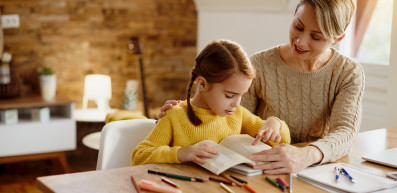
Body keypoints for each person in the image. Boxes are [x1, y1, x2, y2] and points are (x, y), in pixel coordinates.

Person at [157, 0, 364, 174]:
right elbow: (227, 118)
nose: (300, 41)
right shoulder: (260, 64)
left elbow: (345, 131)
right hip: (262, 170)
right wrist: (183, 112)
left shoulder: (348, 73)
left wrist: (306, 155)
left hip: (319, 169)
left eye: (316, 37)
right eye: (298, 27)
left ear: (338, 39)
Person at [132, 40, 291, 166]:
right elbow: (139, 156)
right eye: (230, 95)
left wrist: (274, 123)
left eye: (241, 95)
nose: (237, 103)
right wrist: (180, 153)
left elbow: (284, 141)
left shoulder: (237, 114)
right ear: (202, 84)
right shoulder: (175, 115)